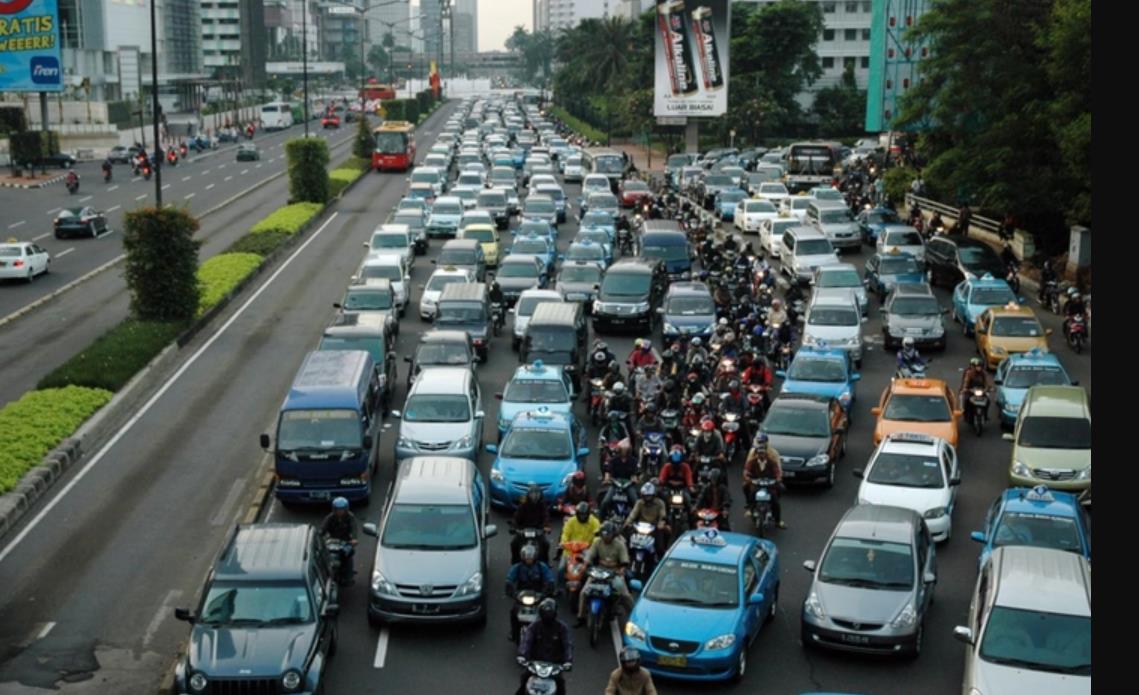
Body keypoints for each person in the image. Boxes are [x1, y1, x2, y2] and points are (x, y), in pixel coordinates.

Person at [577, 523, 633, 626]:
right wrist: (585, 565)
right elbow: (590, 555)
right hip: (598, 570)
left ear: (614, 534)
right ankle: (581, 616)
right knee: (584, 592)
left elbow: (624, 560)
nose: (606, 536)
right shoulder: (597, 542)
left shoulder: (620, 545)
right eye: (604, 534)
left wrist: (622, 569)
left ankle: (634, 616)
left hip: (614, 572)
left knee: (624, 594)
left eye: (608, 534)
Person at [516, 598, 573, 695]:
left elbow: (568, 645)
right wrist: (522, 655)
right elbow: (526, 642)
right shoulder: (534, 627)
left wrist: (568, 661)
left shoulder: (562, 628)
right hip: (535, 665)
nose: (547, 616)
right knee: (524, 680)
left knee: (560, 685)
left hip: (554, 667)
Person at [506, 545, 557, 641]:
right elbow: (509, 579)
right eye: (527, 558)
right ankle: (514, 633)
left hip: (539, 595)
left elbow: (549, 578)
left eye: (530, 558)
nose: (528, 560)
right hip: (522, 595)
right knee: (513, 612)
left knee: (549, 612)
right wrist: (512, 590)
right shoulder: (517, 567)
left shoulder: (542, 567)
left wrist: (546, 591)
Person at [742, 434, 785, 528]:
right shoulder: (752, 460)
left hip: (769, 483)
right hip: (756, 482)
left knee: (775, 500)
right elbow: (746, 470)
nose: (761, 455)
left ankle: (777, 521)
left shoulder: (772, 459)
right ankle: (750, 508)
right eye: (759, 453)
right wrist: (747, 477)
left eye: (763, 453)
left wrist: (778, 478)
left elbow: (777, 470)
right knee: (750, 491)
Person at [557, 502, 601, 594]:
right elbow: (565, 533)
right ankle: (560, 588)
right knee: (561, 569)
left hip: (586, 551)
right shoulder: (571, 521)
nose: (582, 516)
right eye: (580, 514)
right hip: (570, 550)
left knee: (592, 568)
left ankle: (590, 586)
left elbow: (597, 536)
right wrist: (563, 543)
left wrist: (593, 545)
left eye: (585, 514)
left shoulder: (595, 522)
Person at [320, 497, 359, 582]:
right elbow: (323, 529)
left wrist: (354, 539)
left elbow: (354, 528)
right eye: (337, 509)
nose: (339, 512)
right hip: (332, 541)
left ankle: (349, 575)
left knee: (348, 554)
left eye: (341, 509)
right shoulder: (329, 518)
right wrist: (319, 537)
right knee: (322, 555)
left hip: (345, 541)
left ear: (346, 509)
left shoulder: (350, 517)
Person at [512, 484, 552, 564]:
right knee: (514, 544)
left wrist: (546, 526)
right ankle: (515, 561)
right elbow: (517, 516)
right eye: (532, 494)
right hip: (523, 529)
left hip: (538, 530)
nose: (534, 497)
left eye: (537, 495)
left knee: (546, 544)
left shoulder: (542, 504)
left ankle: (545, 562)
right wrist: (514, 527)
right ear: (529, 495)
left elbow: (546, 516)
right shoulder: (523, 504)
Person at [959, 357, 991, 423]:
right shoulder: (970, 373)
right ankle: (966, 415)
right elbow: (966, 382)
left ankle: (985, 415)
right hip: (971, 391)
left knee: (988, 401)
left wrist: (987, 389)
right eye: (977, 366)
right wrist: (965, 388)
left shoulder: (984, 374)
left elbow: (987, 383)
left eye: (980, 366)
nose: (979, 368)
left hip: (981, 391)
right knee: (966, 400)